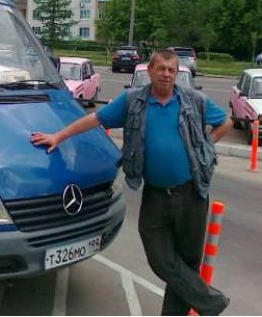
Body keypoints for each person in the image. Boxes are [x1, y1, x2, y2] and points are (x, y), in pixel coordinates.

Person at [31, 49, 233, 316]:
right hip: (156, 194)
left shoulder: (194, 100)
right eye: (161, 68)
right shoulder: (133, 100)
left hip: (192, 194)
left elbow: (226, 122)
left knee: (187, 263)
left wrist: (205, 147)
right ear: (150, 70)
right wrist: (59, 136)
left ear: (177, 74)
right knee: (160, 259)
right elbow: (95, 119)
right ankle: (210, 301)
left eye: (172, 70)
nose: (166, 74)